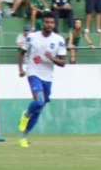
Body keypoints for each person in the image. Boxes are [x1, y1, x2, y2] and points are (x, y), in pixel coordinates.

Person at [16, 15, 67, 148]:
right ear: (42, 23)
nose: (49, 24)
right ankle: (26, 114)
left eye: (51, 22)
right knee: (39, 101)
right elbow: (21, 52)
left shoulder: (58, 40)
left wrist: (52, 58)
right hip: (33, 73)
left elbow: (63, 62)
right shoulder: (32, 37)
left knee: (39, 108)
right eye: (46, 22)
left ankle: (24, 136)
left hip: (48, 77)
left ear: (54, 24)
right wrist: (21, 69)